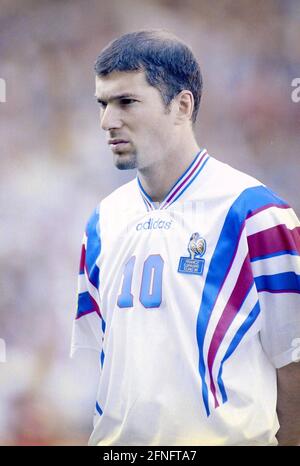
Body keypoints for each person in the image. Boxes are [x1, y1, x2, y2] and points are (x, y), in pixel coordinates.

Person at [71, 29, 300, 446]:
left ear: (181, 104)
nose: (107, 121)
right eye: (102, 104)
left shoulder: (257, 215)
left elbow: (294, 363)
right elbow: (110, 371)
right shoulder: (100, 224)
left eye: (126, 102)